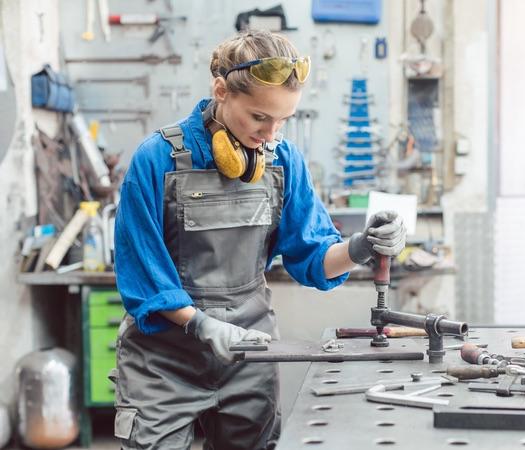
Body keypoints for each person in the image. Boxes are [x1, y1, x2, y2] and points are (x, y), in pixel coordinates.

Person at [112, 29, 406, 450]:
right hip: (163, 363)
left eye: (282, 120)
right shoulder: (156, 159)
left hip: (249, 354)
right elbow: (144, 279)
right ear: (221, 91)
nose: (270, 134)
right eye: (259, 117)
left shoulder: (282, 161)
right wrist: (201, 323)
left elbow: (315, 259)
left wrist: (361, 246)